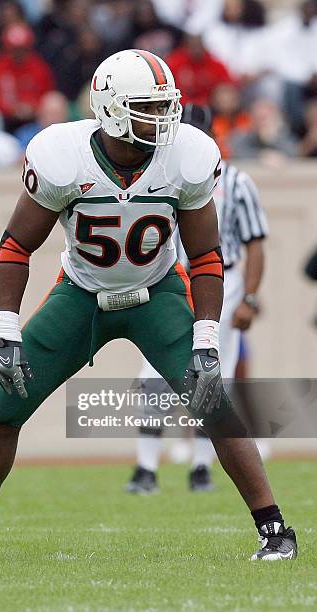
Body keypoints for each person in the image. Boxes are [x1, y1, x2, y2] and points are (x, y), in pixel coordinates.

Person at [0, 50, 296, 564]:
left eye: (166, 106)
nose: (164, 119)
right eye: (148, 107)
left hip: (158, 293)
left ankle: (275, 531)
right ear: (111, 108)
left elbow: (205, 255)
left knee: (213, 405)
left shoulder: (187, 154)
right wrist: (6, 329)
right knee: (2, 408)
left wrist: (206, 340)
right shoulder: (62, 155)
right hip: (81, 295)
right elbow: (15, 246)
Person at [126, 103, 269, 494]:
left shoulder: (237, 181)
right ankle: (146, 467)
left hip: (222, 281)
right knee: (153, 375)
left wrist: (250, 298)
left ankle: (202, 467)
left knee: (212, 374)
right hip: (170, 279)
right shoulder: (159, 176)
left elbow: (255, 243)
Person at [0, 23, 56, 134]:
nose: (18, 54)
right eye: (14, 49)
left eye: (22, 49)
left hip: (35, 119)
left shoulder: (39, 67)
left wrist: (33, 108)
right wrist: (12, 109)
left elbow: (47, 94)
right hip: (5, 120)